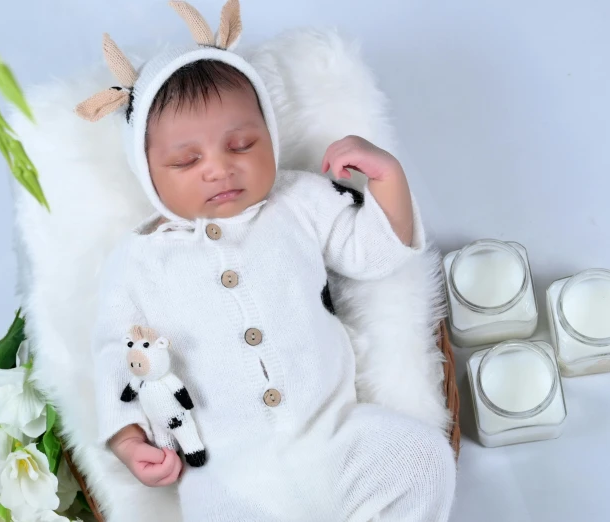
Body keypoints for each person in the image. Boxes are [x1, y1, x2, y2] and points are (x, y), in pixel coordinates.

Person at [80, 2, 456, 520]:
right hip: (230, 472)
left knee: (421, 456)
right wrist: (127, 439)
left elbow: (374, 252)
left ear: (270, 137)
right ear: (148, 173)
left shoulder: (297, 202)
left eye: (242, 144)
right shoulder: (140, 259)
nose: (219, 169)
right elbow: (114, 353)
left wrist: (385, 176)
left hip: (333, 433)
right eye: (188, 161)